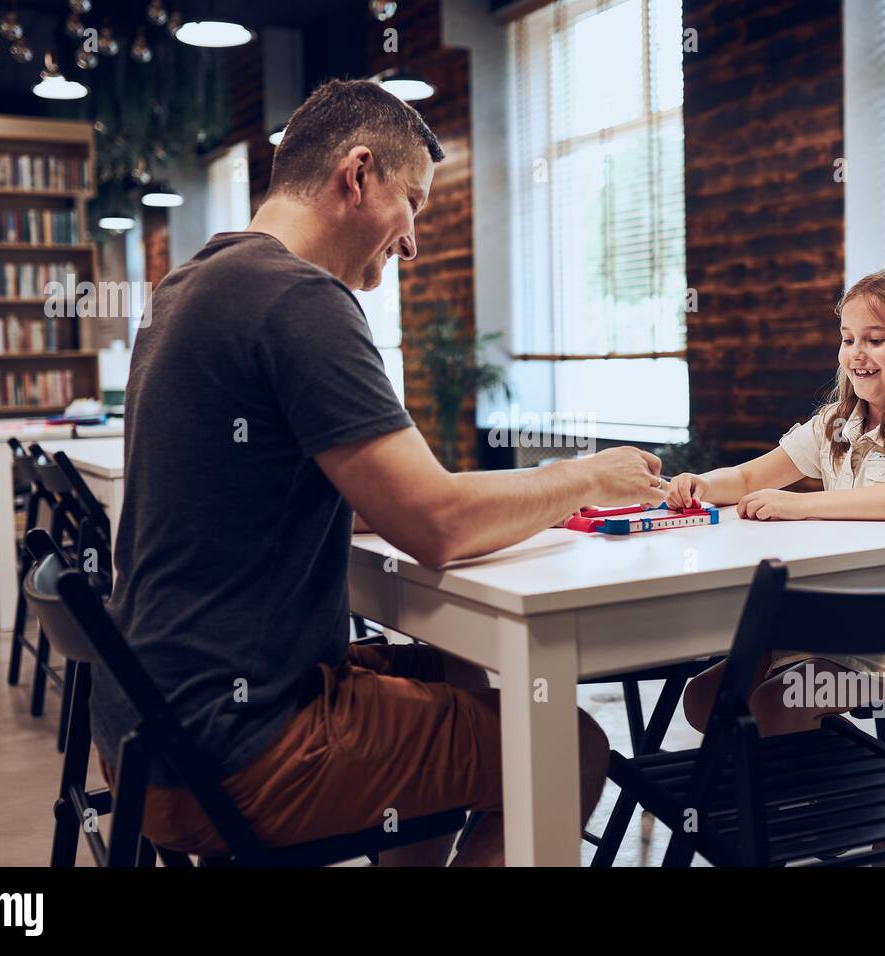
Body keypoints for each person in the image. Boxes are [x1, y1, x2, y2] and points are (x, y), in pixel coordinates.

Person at [91, 79, 669, 866]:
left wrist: (461, 499)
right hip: (236, 746)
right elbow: (438, 525)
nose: (412, 242)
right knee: (567, 743)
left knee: (465, 682)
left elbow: (299, 494)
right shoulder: (298, 299)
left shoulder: (188, 286)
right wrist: (587, 478)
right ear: (357, 175)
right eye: (415, 206)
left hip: (148, 731)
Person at [667, 268, 885, 737]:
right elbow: (750, 475)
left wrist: (804, 505)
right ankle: (774, 787)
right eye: (848, 338)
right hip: (824, 625)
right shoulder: (834, 424)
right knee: (704, 699)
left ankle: (796, 801)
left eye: (875, 339)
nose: (857, 353)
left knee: (779, 702)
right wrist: (701, 485)